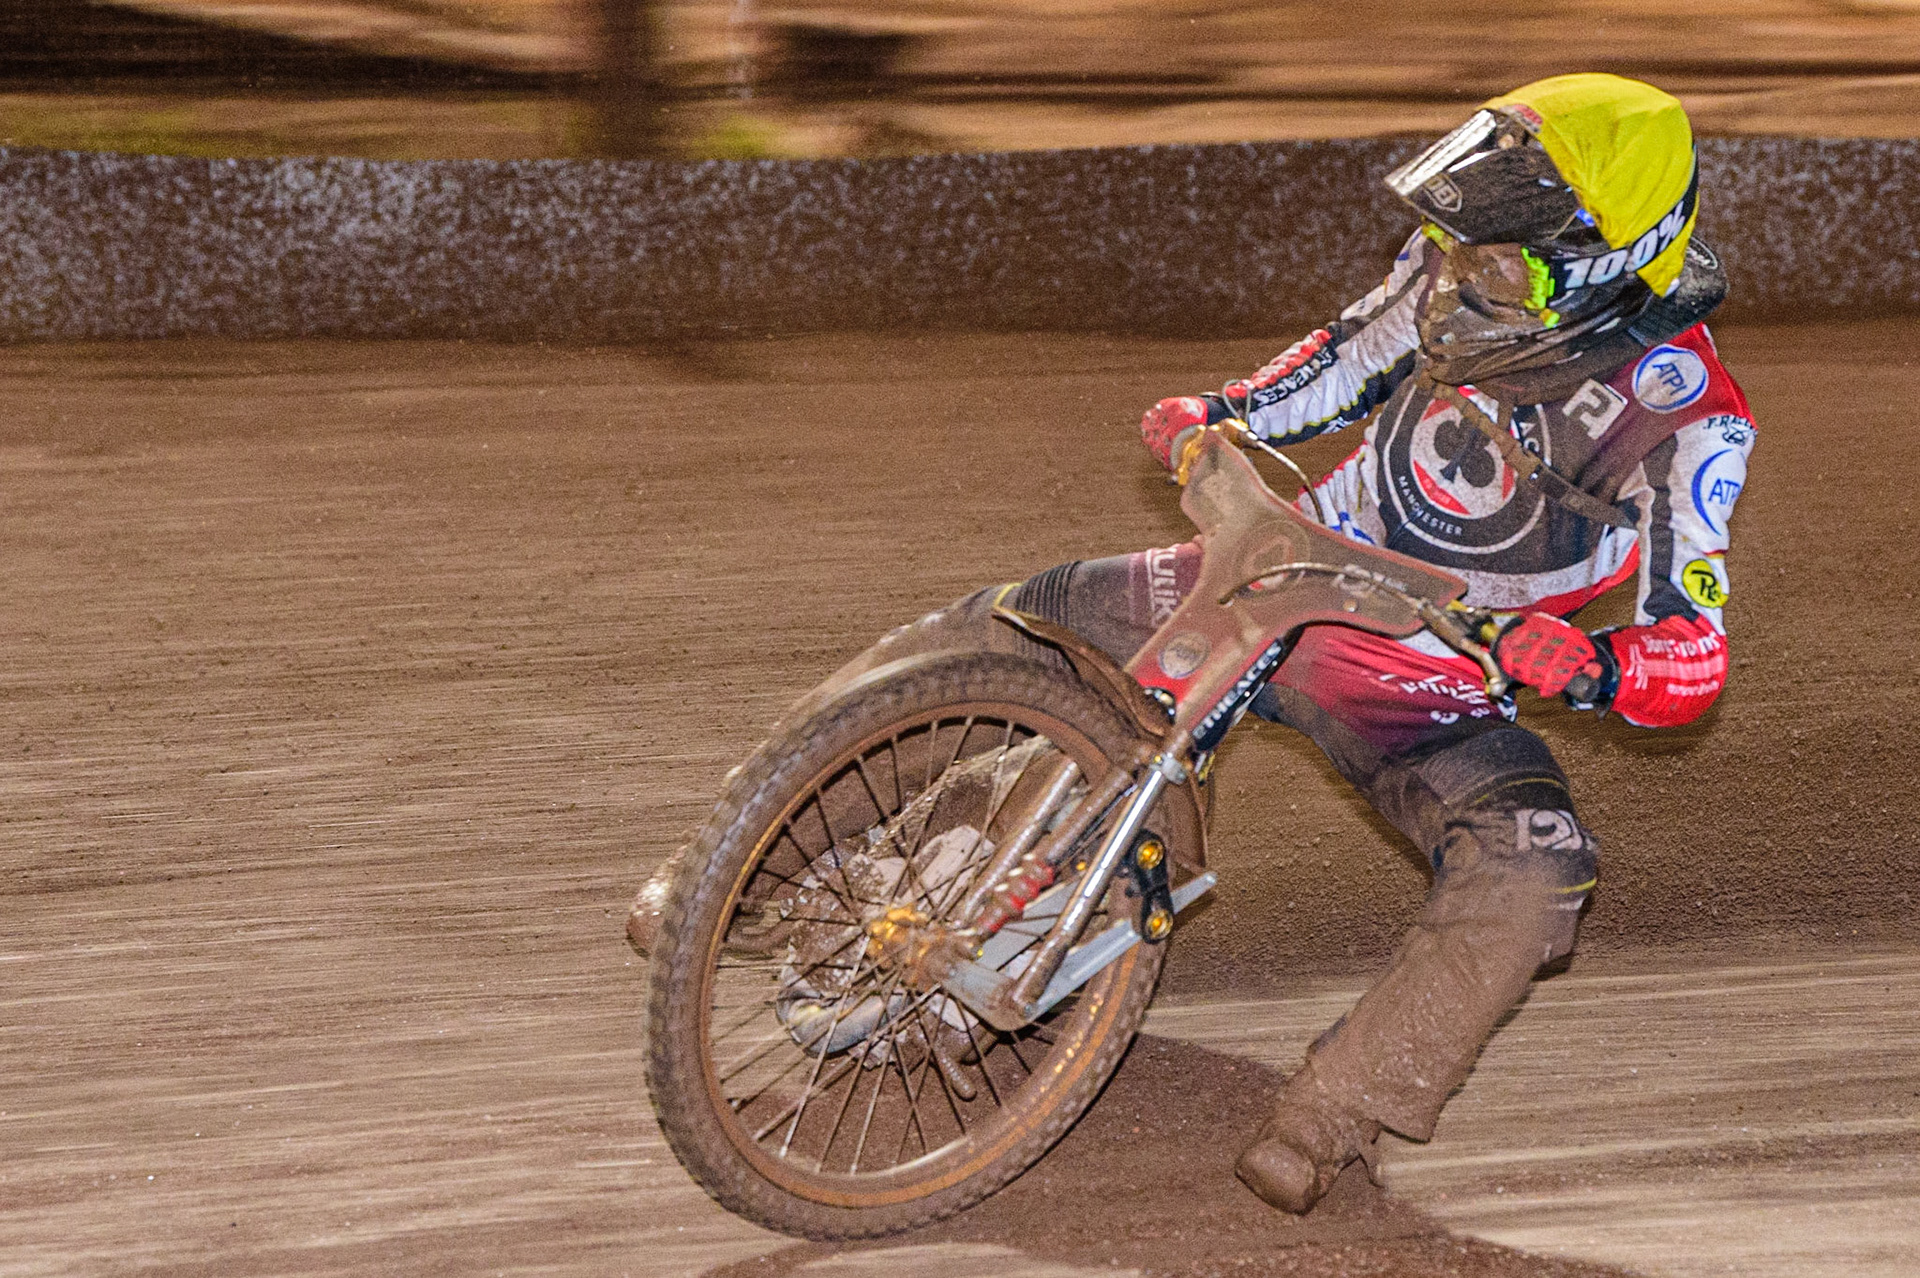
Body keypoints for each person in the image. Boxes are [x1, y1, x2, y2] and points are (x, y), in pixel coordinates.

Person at [1022, 72, 1756, 1212]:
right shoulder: (1460, 263)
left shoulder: (1688, 417)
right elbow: (1345, 356)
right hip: (1282, 563)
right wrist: (1220, 416)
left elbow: (1693, 654)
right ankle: (752, 863)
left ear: (1608, 260)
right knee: (1031, 607)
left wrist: (1598, 666)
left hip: (1433, 665)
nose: (1460, 277)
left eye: (1497, 262)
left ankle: (1336, 1113)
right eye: (1461, 245)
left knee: (1538, 872)